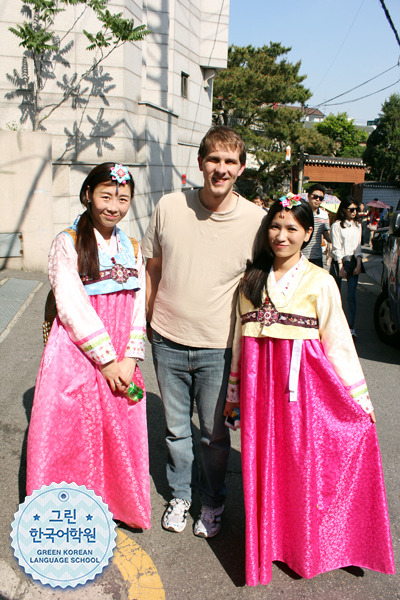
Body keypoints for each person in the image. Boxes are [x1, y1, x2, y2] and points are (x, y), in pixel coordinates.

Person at [224, 196, 395, 586]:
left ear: (307, 234)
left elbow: (338, 343)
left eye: (291, 229)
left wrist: (359, 400)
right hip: (259, 390)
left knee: (302, 468)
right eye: (275, 226)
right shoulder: (250, 281)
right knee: (264, 465)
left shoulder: (321, 281)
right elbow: (239, 342)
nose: (281, 235)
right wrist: (234, 395)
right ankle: (268, 541)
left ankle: (308, 544)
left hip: (305, 393)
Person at [142, 126, 264, 537]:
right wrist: (148, 317)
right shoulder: (170, 206)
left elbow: (268, 280)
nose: (221, 169)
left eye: (230, 161)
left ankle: (212, 501)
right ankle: (180, 496)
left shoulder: (256, 221)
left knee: (214, 437)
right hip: (167, 339)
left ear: (241, 168)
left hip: (219, 349)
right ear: (200, 163)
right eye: (214, 159)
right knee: (177, 430)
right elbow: (153, 266)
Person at [27, 163, 150, 529]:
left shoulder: (131, 245)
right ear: (88, 196)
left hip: (121, 353)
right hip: (78, 350)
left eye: (123, 199)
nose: (114, 205)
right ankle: (68, 512)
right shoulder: (67, 241)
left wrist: (130, 356)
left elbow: (139, 301)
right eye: (106, 196)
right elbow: (71, 303)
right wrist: (107, 359)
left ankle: (119, 504)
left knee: (119, 428)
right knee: (73, 429)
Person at [329, 196, 363, 337]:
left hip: (354, 261)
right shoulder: (336, 225)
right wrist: (341, 265)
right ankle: (333, 327)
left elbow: (358, 247)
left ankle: (351, 328)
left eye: (356, 209)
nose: (354, 212)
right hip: (339, 262)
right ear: (344, 210)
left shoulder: (358, 225)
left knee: (351, 296)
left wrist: (359, 264)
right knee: (335, 296)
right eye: (351, 209)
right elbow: (337, 247)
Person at [302, 183, 330, 268]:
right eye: (315, 197)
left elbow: (327, 236)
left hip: (317, 257)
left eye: (321, 198)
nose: (317, 200)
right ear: (308, 196)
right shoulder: (301, 213)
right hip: (300, 256)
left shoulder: (324, 215)